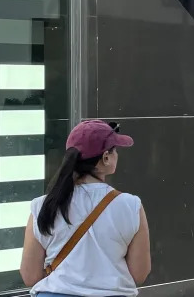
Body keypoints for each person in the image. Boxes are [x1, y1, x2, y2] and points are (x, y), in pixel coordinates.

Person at [20, 120, 152, 296]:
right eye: (115, 151)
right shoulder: (130, 206)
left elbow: (30, 276)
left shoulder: (42, 206)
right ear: (105, 158)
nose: (117, 155)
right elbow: (139, 273)